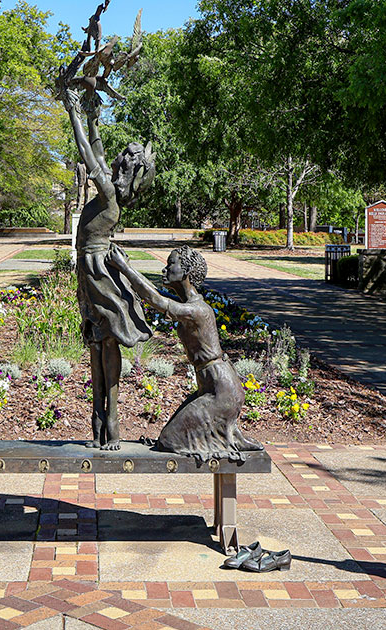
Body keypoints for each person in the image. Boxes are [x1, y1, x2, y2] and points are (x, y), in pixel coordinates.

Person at [61, 82, 155, 451]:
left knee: (106, 342)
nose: (118, 157)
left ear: (131, 169)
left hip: (99, 270)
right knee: (97, 345)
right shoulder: (110, 194)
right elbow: (97, 150)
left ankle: (110, 419)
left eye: (126, 156)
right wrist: (93, 115)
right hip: (90, 268)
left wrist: (73, 112)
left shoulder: (110, 196)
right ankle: (101, 421)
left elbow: (87, 154)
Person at [107, 245, 263, 460]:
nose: (165, 269)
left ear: (186, 273)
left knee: (172, 440)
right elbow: (154, 294)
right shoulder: (188, 305)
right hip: (211, 386)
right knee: (168, 438)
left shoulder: (197, 310)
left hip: (222, 391)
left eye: (171, 264)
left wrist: (125, 267)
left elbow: (156, 300)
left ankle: (221, 443)